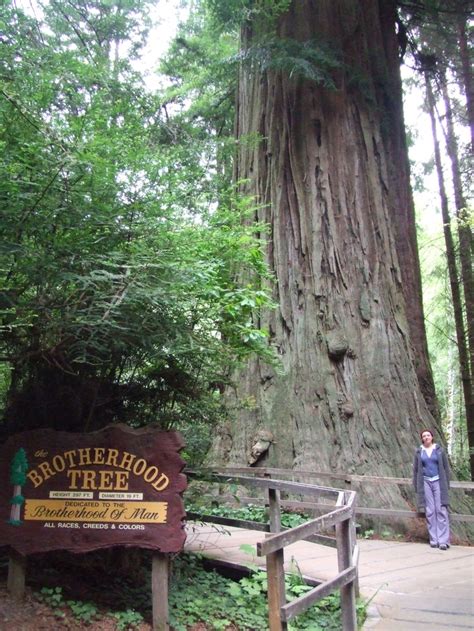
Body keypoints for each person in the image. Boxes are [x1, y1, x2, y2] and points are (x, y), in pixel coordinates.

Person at [413, 429, 450, 550]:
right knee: (430, 511)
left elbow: (445, 467)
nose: (426, 437)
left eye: (428, 435)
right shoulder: (419, 451)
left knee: (441, 509)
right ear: (422, 439)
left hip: (438, 481)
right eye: (424, 436)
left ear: (432, 437)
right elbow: (416, 470)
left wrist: (446, 483)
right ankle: (434, 539)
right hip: (426, 482)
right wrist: (416, 485)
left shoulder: (439, 450)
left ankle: (443, 541)